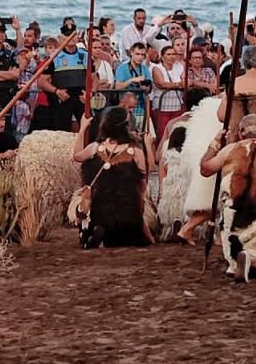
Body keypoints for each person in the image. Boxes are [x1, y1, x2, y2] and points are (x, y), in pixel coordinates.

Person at [199, 113, 256, 282]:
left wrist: (215, 142)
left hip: (233, 219)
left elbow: (205, 168)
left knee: (231, 226)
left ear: (240, 133)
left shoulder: (229, 150)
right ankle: (254, 261)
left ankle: (239, 261)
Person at [71, 108, 152, 248]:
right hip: (129, 215)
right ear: (126, 126)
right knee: (133, 235)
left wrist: (83, 128)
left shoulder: (96, 147)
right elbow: (143, 182)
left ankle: (96, 235)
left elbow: (77, 156)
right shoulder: (135, 150)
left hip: (101, 211)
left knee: (93, 218)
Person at [32, 33, 88, 132]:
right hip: (62, 97)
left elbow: (94, 78)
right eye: (67, 35)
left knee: (89, 129)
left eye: (73, 34)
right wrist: (56, 91)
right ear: (62, 38)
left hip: (82, 97)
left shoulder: (85, 55)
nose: (71, 38)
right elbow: (42, 81)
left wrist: (90, 93)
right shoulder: (55, 57)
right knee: (62, 130)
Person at [150, 45, 186, 141]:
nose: (171, 56)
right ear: (162, 57)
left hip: (177, 105)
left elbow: (186, 82)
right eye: (168, 54)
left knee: (175, 133)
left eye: (173, 54)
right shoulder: (157, 68)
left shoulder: (179, 66)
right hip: (162, 106)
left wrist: (173, 85)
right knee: (162, 134)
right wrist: (178, 84)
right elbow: (161, 84)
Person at [113, 43, 152, 130]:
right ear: (131, 53)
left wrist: (143, 85)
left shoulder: (144, 68)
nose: (140, 57)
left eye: (142, 55)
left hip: (141, 108)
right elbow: (118, 86)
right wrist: (132, 80)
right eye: (137, 54)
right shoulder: (122, 68)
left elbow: (148, 88)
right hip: (125, 109)